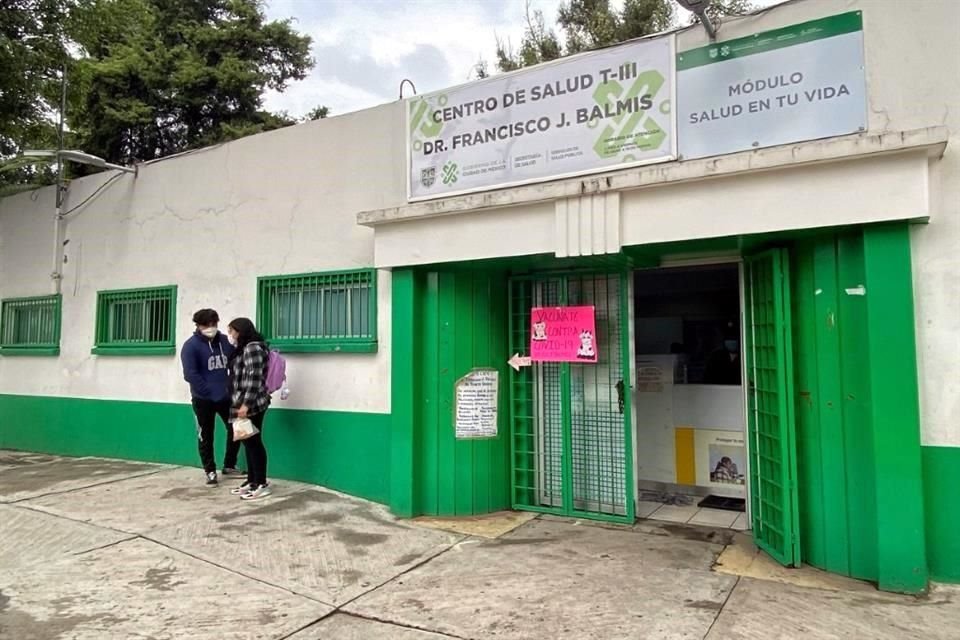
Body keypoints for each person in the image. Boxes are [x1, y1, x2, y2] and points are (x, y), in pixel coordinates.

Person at [181, 308, 242, 486]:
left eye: (214, 324)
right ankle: (210, 470)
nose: (211, 327)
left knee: (236, 429)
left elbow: (235, 360)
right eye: (206, 324)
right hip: (203, 399)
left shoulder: (223, 341)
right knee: (206, 435)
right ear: (198, 325)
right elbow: (190, 374)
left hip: (226, 397)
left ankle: (229, 464)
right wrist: (208, 391)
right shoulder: (191, 346)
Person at [226, 317, 273, 501]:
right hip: (241, 402)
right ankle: (252, 480)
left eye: (232, 331)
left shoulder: (253, 347)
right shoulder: (244, 347)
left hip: (252, 404)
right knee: (247, 440)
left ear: (241, 330)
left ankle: (261, 482)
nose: (230, 335)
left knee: (253, 443)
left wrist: (246, 404)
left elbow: (254, 378)